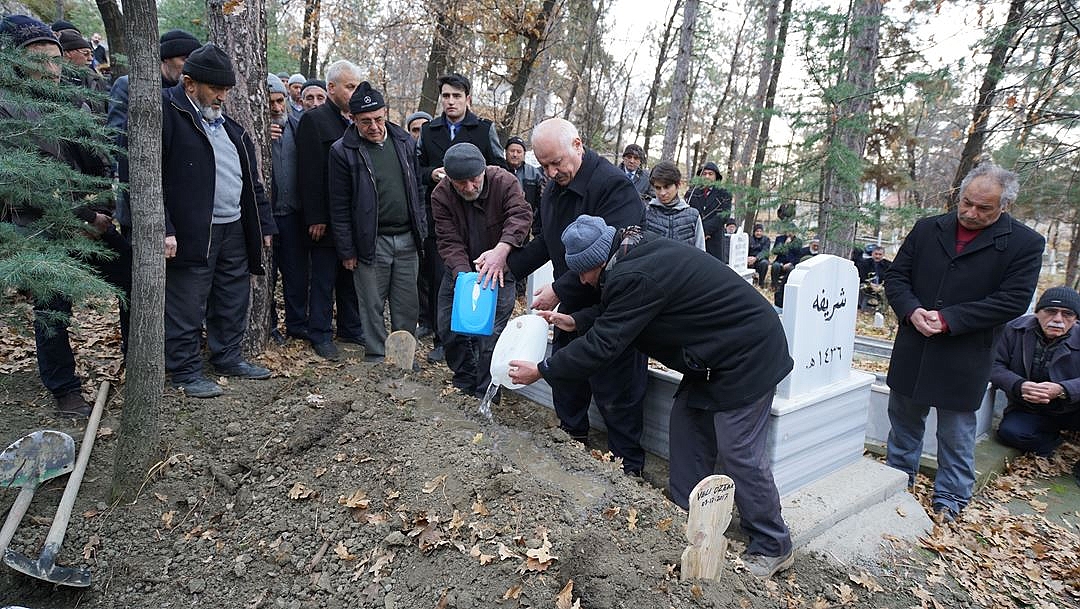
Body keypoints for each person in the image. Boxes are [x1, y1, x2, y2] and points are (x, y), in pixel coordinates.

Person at [508, 215, 795, 578]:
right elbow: (623, 311)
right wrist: (577, 321)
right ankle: (687, 517)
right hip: (711, 357)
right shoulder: (631, 255)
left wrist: (542, 370)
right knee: (687, 429)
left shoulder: (634, 272)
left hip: (748, 354)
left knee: (738, 449)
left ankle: (773, 543)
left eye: (583, 272)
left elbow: (604, 344)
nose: (582, 281)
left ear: (598, 260)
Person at [884, 161, 1044, 522]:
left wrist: (949, 319)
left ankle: (951, 496)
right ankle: (896, 480)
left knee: (956, 432)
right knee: (904, 421)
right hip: (915, 345)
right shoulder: (928, 229)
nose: (971, 213)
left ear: (1005, 205)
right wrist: (911, 310)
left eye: (983, 208)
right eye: (966, 202)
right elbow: (897, 277)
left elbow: (1012, 301)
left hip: (965, 352)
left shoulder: (1024, 243)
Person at [1, 14, 132, 417]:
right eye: (37, 57)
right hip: (38, 228)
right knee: (52, 308)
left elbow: (99, 160)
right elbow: (25, 184)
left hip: (91, 221)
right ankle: (65, 390)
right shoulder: (7, 110)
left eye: (54, 57)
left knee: (130, 274)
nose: (51, 67)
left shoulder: (73, 100)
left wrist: (103, 211)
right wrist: (84, 217)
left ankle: (138, 357)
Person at [505, 118, 648, 475]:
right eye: (544, 165)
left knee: (617, 391)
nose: (551, 172)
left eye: (556, 162)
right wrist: (508, 266)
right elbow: (548, 241)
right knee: (567, 380)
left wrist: (558, 289)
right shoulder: (553, 188)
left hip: (613, 303)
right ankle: (570, 443)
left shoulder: (613, 186)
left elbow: (614, 251)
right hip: (571, 301)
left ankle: (627, 469)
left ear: (578, 145)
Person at [161, 43, 277, 398]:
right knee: (187, 302)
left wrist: (264, 223)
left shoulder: (231, 128)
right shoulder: (167, 113)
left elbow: (252, 181)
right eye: (215, 88)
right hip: (193, 230)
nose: (222, 96)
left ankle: (228, 357)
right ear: (190, 83)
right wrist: (165, 228)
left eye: (226, 89)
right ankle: (184, 370)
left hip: (234, 228)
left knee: (232, 296)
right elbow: (149, 177)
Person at [328, 82, 427, 363]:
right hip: (370, 240)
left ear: (386, 113)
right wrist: (347, 250)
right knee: (371, 302)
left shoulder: (405, 142)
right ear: (353, 119)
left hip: (407, 237)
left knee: (407, 303)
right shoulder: (343, 151)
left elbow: (418, 189)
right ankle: (375, 353)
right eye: (365, 121)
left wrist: (421, 227)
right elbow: (338, 205)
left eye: (378, 119)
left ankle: (403, 356)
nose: (373, 126)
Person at [416, 73, 507, 361]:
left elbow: (499, 166)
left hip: (482, 217)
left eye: (456, 96)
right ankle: (443, 339)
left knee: (483, 276)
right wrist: (432, 174)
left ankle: (480, 338)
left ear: (468, 98)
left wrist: (473, 179)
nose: (450, 101)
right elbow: (415, 169)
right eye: (446, 96)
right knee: (442, 277)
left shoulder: (484, 129)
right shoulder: (428, 131)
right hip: (442, 215)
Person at [432, 143, 532, 397]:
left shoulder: (504, 182)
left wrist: (502, 250)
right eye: (460, 183)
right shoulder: (441, 195)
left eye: (474, 180)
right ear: (449, 179)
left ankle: (487, 391)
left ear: (483, 171)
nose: (469, 188)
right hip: (460, 270)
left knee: (491, 335)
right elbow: (448, 239)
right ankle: (464, 379)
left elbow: (520, 216)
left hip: (501, 269)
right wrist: (464, 278)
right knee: (448, 326)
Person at [295, 59, 366, 360]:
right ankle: (320, 332)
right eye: (349, 86)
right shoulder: (315, 120)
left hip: (351, 215)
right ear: (332, 88)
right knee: (324, 278)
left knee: (350, 276)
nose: (354, 92)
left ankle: (350, 327)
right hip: (324, 217)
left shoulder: (356, 121)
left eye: (356, 87)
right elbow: (309, 172)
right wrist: (316, 216)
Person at [107, 29, 202, 238]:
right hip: (140, 194)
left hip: (181, 202)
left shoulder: (190, 91)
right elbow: (115, 141)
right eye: (184, 59)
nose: (188, 66)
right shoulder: (130, 86)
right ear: (165, 59)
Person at [991, 287, 1080, 472]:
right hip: (1029, 408)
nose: (1058, 319)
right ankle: (1052, 441)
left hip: (1073, 408)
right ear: (1038, 312)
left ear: (1075, 318)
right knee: (1010, 433)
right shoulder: (1014, 329)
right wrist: (1018, 385)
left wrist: (1063, 389)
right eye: (1050, 311)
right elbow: (993, 365)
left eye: (1067, 314)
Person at [266, 74, 308, 345]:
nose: (277, 108)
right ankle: (269, 325)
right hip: (266, 218)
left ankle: (297, 324)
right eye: (271, 103)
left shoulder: (297, 127)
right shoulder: (253, 131)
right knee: (266, 276)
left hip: (293, 216)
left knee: (296, 274)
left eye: (280, 101)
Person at [643, 160, 704, 250]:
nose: (662, 193)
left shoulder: (693, 216)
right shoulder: (646, 213)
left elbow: (701, 251)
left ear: (678, 185)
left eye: (667, 187)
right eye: (658, 188)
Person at [685, 161, 732, 260]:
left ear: (716, 176)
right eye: (704, 174)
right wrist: (699, 233)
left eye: (710, 174)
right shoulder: (691, 193)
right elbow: (687, 214)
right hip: (695, 238)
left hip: (715, 239)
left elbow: (723, 216)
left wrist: (705, 231)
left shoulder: (724, 194)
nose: (707, 177)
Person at [505, 135, 545, 235]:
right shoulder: (499, 171)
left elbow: (541, 202)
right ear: (506, 152)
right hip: (502, 221)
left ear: (524, 154)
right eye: (512, 151)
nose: (515, 154)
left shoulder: (534, 173)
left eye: (519, 152)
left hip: (525, 222)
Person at [857, 244, 891, 311]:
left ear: (883, 255)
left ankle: (882, 310)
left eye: (880, 254)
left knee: (886, 290)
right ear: (872, 254)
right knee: (861, 287)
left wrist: (881, 285)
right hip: (867, 284)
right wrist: (870, 284)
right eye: (876, 254)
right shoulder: (864, 263)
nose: (877, 256)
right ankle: (861, 306)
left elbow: (890, 277)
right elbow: (861, 276)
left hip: (881, 286)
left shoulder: (888, 265)